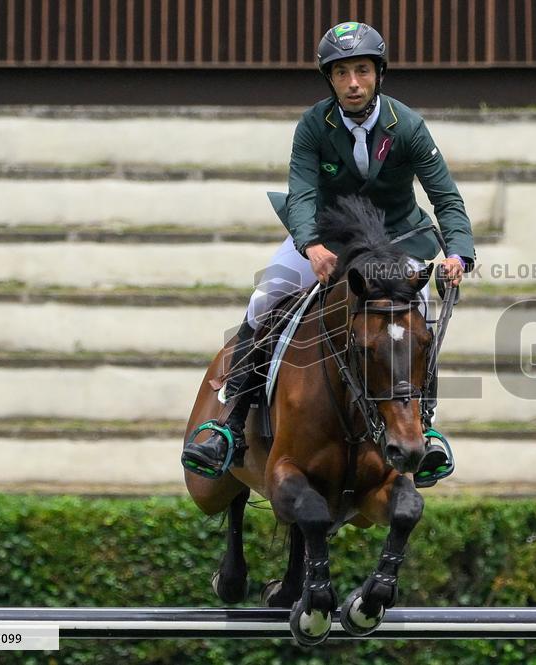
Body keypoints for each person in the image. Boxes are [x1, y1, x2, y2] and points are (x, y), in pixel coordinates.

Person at [181, 21, 475, 486]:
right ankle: (230, 426)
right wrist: (310, 245)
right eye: (341, 74)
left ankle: (428, 431)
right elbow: (300, 195)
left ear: (379, 74)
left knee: (414, 322)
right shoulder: (314, 124)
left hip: (395, 240)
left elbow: (446, 199)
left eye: (362, 71)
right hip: (327, 236)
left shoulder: (409, 126)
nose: (353, 83)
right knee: (263, 300)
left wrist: (459, 252)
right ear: (330, 79)